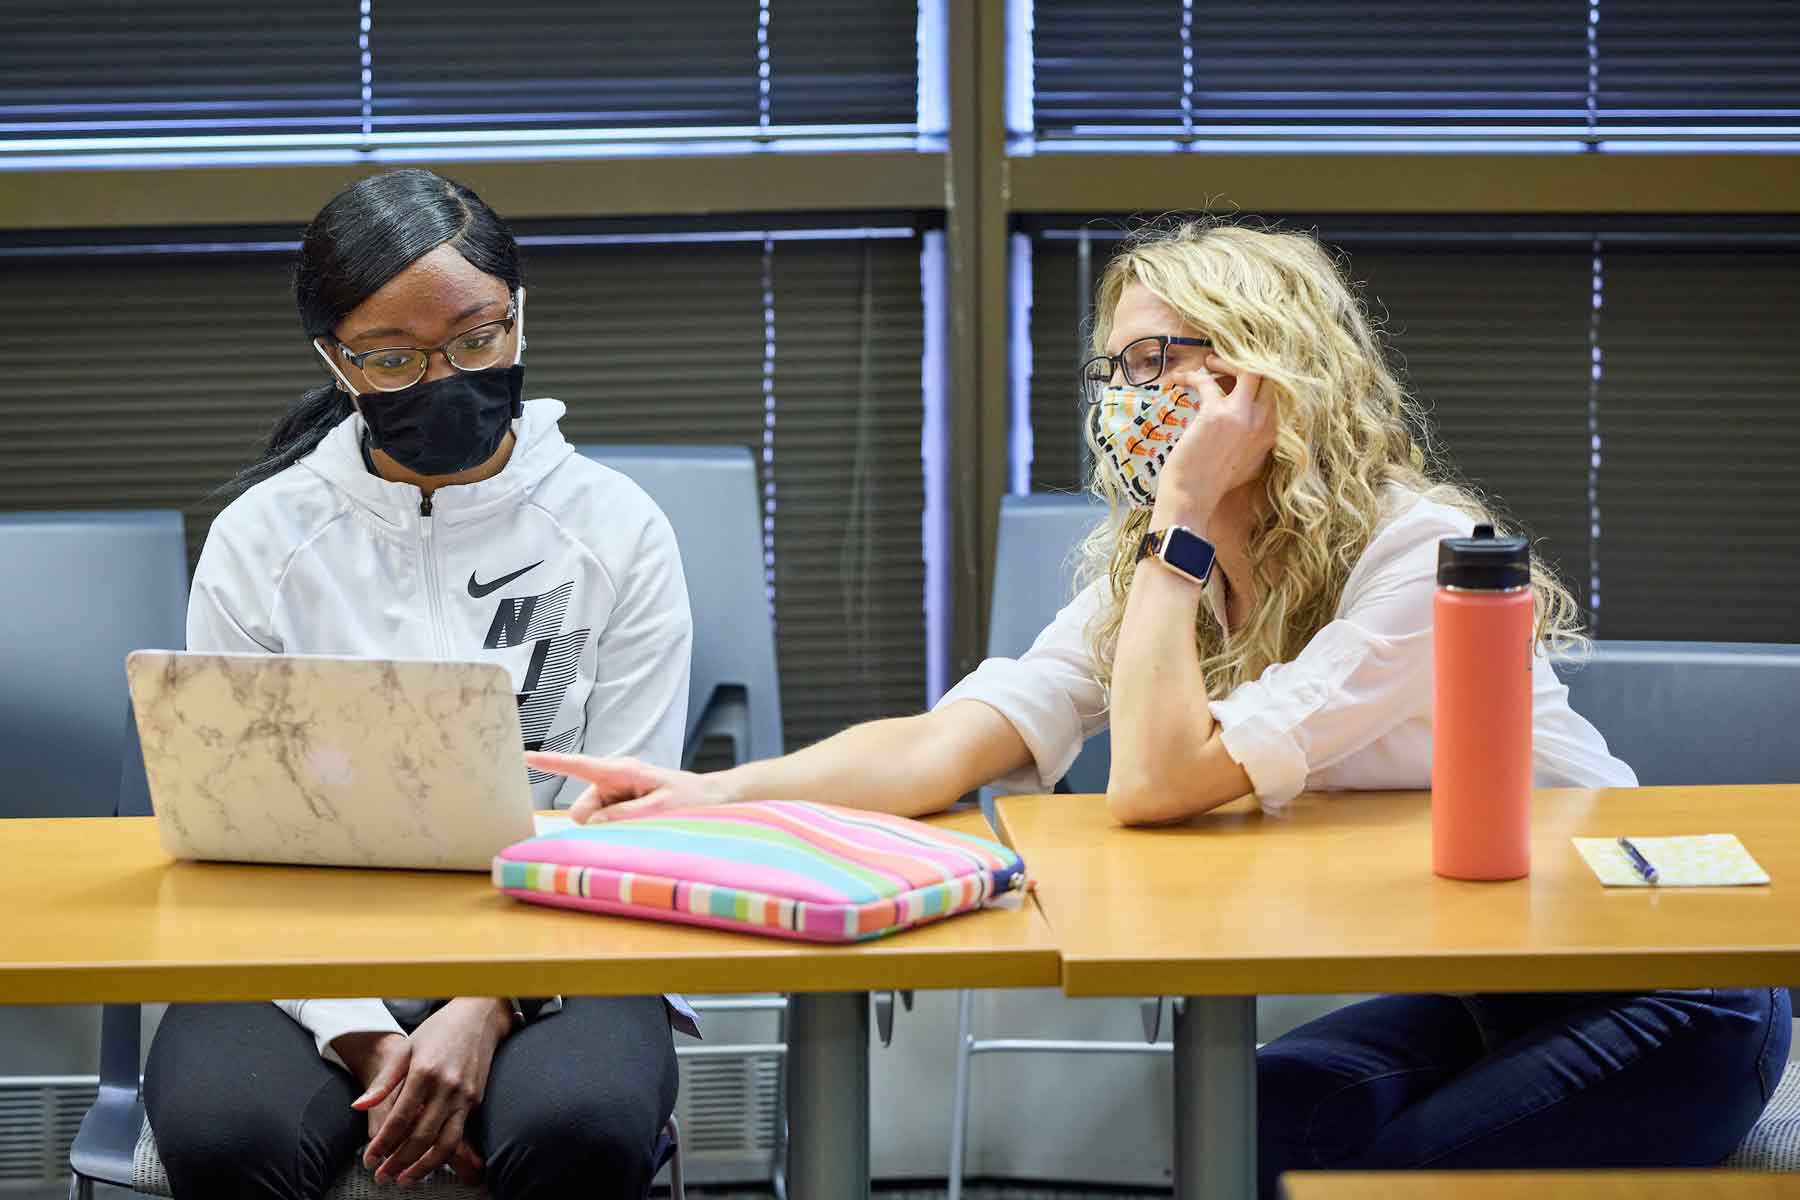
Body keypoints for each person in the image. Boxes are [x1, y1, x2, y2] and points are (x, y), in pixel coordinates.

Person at [532, 221, 1791, 1195]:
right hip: (1482, 998)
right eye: (1114, 366)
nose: (1123, 395)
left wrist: (1182, 521)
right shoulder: (1147, 579)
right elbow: (943, 741)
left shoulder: (1420, 554)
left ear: (1263, 378)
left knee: (1397, 1178)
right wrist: (708, 795)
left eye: (1157, 359)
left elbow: (1153, 782)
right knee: (1250, 1129)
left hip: (1662, 990)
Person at [143, 169, 697, 1200]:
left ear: (520, 319)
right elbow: (235, 830)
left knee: (578, 1128)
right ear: (334, 360)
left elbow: (624, 818)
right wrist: (358, 1031)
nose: (442, 376)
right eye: (393, 358)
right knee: (227, 1135)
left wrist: (485, 1004)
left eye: (476, 339)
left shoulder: (619, 532)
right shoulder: (261, 541)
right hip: (301, 944)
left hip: (557, 939)